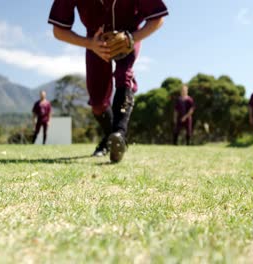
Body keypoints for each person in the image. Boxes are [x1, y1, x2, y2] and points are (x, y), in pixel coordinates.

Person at [48, 0, 168, 162]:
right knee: (97, 103)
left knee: (124, 74)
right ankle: (110, 138)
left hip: (129, 33)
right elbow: (59, 30)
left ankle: (119, 133)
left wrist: (131, 39)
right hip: (94, 40)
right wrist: (90, 44)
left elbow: (158, 18)